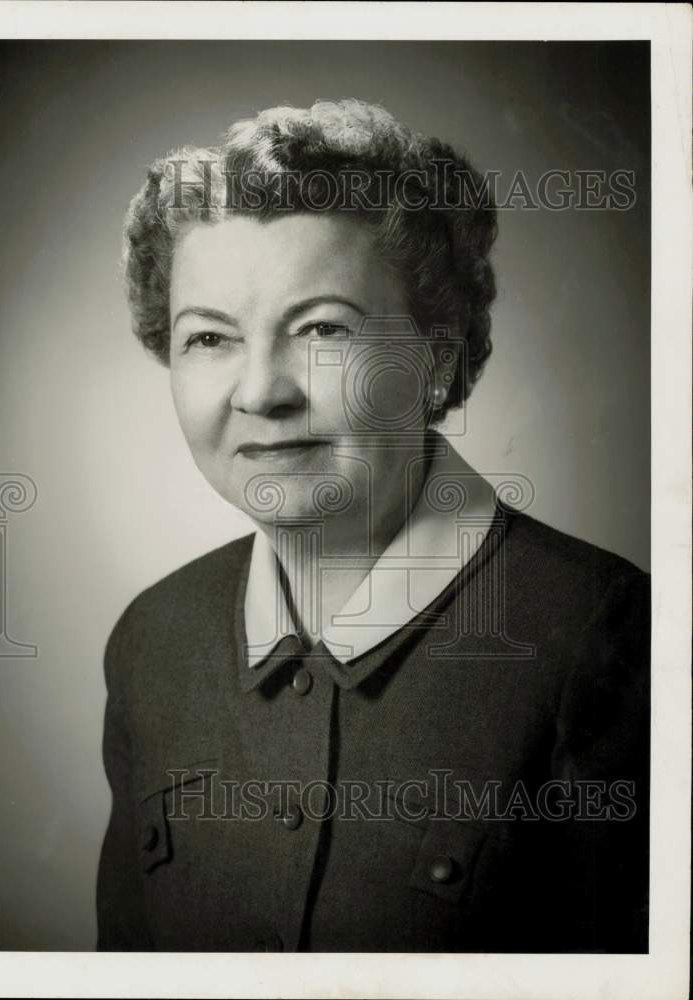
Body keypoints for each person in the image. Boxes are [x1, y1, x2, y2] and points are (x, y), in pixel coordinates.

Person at [96, 100, 650, 953]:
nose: (260, 393)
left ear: (436, 358)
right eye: (209, 338)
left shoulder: (603, 634)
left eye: (322, 328)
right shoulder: (149, 641)